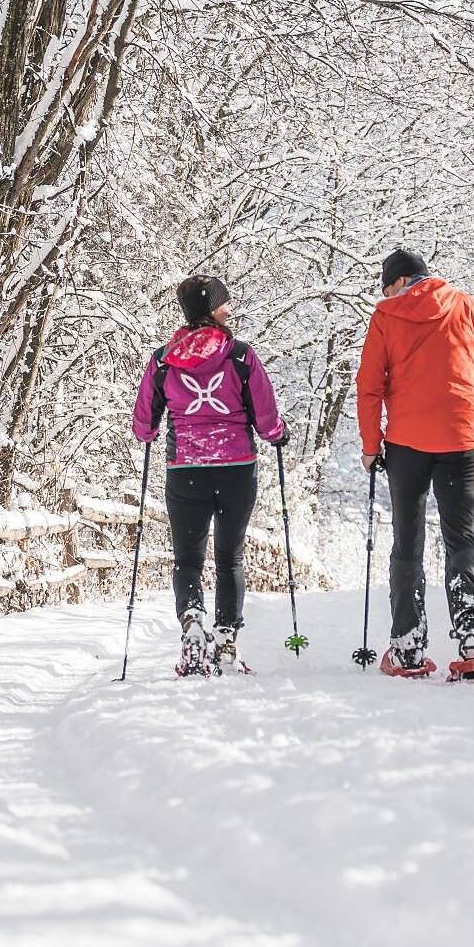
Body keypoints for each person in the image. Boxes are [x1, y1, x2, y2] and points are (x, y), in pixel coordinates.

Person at [356, 248, 474, 678]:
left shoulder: (386, 317)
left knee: (407, 540)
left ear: (395, 283)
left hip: (406, 445)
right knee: (461, 537)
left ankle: (408, 645)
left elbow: (369, 389)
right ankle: (471, 638)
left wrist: (371, 447)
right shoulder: (468, 307)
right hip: (461, 441)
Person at [132, 275, 288, 677]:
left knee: (187, 558)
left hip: (186, 470)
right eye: (225, 303)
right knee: (230, 557)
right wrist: (277, 435)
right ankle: (226, 641)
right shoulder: (239, 356)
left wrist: (152, 432)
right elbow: (266, 415)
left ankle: (192, 623)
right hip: (236, 468)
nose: (230, 310)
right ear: (214, 310)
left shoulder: (163, 359)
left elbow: (143, 426)